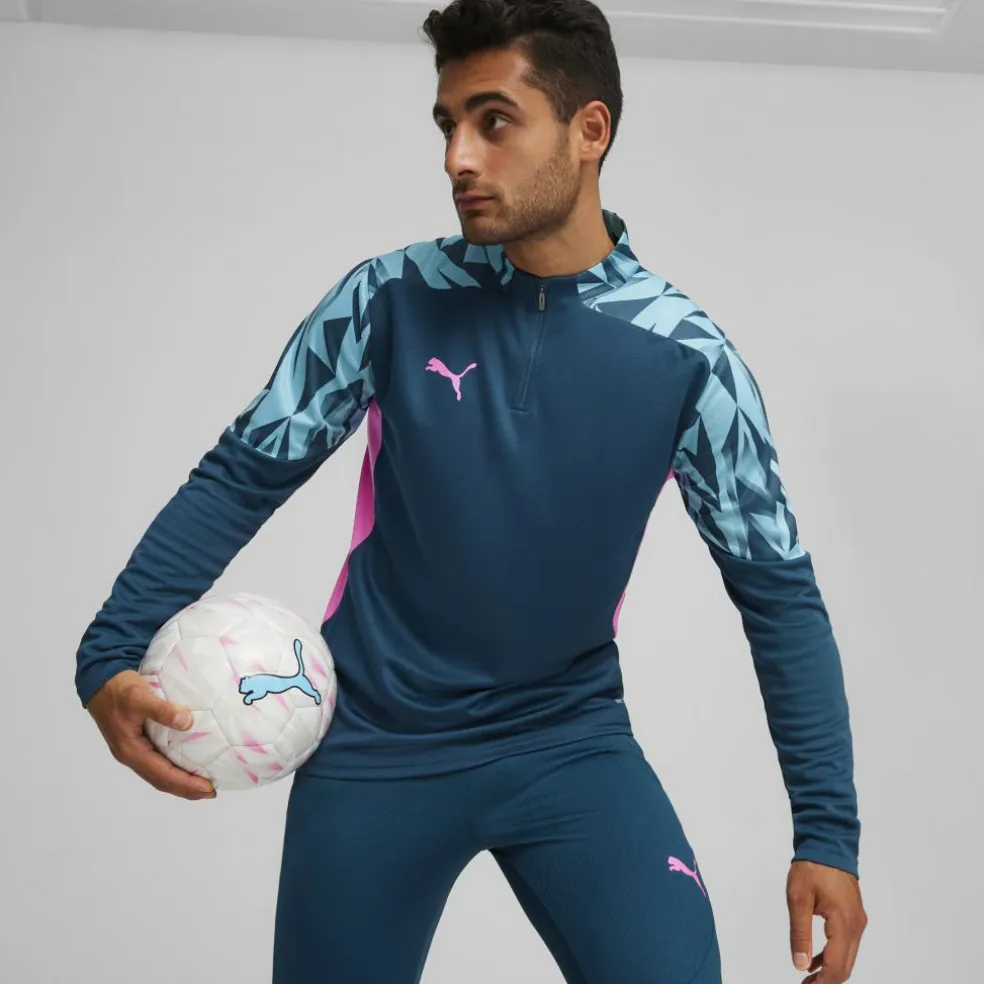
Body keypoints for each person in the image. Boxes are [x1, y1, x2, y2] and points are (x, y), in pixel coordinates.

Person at [75, 1, 868, 981]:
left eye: (494, 121)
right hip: (374, 747)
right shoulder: (388, 299)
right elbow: (242, 475)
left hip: (569, 745)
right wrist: (108, 654)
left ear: (589, 131)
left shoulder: (689, 359)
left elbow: (777, 594)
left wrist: (827, 833)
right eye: (448, 124)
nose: (458, 156)